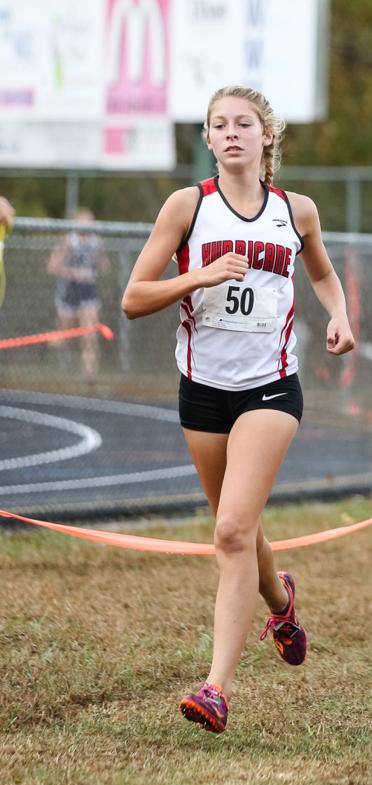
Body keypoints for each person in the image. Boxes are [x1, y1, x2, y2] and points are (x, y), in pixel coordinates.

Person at [121, 85, 355, 733]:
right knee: (238, 525)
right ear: (207, 138)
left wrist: (339, 315)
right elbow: (134, 297)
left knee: (228, 533)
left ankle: (216, 688)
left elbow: (324, 274)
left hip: (271, 388)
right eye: (218, 124)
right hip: (201, 390)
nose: (231, 133)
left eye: (243, 123)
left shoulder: (295, 210)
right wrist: (195, 276)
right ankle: (280, 601)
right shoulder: (187, 206)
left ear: (266, 136)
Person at [47, 208, 109, 380]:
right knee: (65, 338)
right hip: (70, 292)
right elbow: (52, 266)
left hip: (88, 292)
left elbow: (104, 264)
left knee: (90, 336)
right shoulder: (69, 241)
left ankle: (90, 375)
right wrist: (73, 272)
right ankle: (46, 350)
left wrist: (97, 264)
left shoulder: (95, 242)